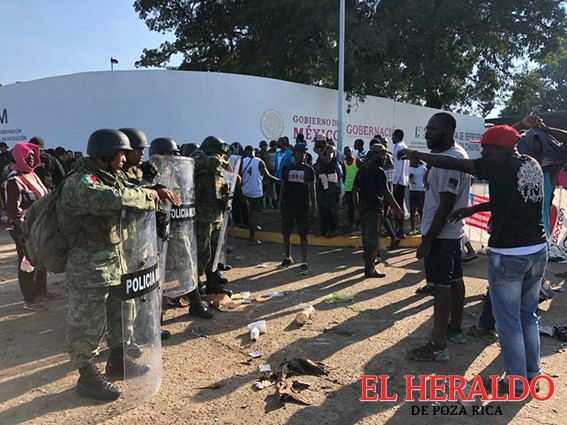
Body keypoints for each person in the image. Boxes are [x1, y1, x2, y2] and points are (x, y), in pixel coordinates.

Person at [400, 124, 548, 394]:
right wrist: (473, 209)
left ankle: (515, 382)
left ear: (499, 149)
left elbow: (453, 163)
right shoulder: (531, 164)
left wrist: (416, 154)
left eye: (486, 148)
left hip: (510, 254)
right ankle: (532, 373)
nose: (483, 153)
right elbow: (509, 197)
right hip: (537, 250)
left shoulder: (499, 164)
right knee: (528, 316)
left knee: (508, 321)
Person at [57, 129, 161, 401]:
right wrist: (150, 196)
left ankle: (118, 359)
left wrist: (149, 190)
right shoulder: (80, 182)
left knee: (121, 312)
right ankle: (87, 377)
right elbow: (114, 199)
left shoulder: (108, 176)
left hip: (114, 262)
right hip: (88, 268)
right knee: (87, 322)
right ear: (105, 156)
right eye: (121, 155)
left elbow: (128, 189)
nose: (125, 160)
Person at [398, 112, 470, 362]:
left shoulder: (451, 160)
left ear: (449, 131)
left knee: (441, 286)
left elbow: (445, 205)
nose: (427, 133)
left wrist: (427, 240)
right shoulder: (451, 156)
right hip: (451, 234)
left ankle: (438, 346)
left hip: (441, 235)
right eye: (426, 129)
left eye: (433, 129)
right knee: (455, 280)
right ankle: (455, 330)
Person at [3, 142, 63, 310]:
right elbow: (13, 210)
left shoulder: (32, 174)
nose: (31, 159)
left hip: (39, 228)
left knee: (40, 258)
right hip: (23, 229)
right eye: (27, 156)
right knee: (26, 262)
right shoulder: (13, 180)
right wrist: (25, 231)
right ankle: (30, 299)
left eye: (33, 155)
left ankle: (42, 292)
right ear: (19, 156)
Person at [352, 144, 403, 278]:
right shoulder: (379, 171)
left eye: (385, 154)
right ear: (373, 155)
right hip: (374, 209)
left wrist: (356, 208)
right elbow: (386, 193)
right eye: (381, 154)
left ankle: (368, 266)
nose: (384, 157)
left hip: (364, 209)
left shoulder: (362, 169)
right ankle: (370, 270)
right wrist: (397, 209)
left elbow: (354, 190)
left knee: (366, 240)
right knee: (373, 241)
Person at [193, 136, 234, 296]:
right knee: (202, 253)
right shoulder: (199, 160)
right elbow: (211, 161)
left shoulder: (216, 167)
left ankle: (212, 284)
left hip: (216, 215)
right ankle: (195, 287)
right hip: (203, 217)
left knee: (214, 254)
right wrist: (221, 159)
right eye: (220, 153)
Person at [278, 143, 316, 275]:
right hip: (288, 205)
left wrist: (314, 207)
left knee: (303, 234)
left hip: (303, 206)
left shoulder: (309, 169)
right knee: (286, 232)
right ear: (295, 154)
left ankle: (304, 262)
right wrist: (279, 205)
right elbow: (283, 187)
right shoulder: (287, 168)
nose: (303, 155)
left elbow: (312, 189)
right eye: (300, 152)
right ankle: (287, 257)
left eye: (304, 152)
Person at [241, 145, 279, 245]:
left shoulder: (242, 161)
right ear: (253, 151)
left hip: (245, 190)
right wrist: (279, 180)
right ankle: (251, 239)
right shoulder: (259, 161)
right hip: (256, 192)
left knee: (249, 212)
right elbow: (268, 176)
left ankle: (252, 228)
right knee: (254, 215)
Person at [313, 133, 340, 237]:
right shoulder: (321, 152)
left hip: (331, 181)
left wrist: (318, 152)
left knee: (331, 206)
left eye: (316, 142)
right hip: (322, 180)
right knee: (322, 206)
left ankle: (333, 229)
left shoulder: (330, 149)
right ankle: (323, 229)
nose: (315, 145)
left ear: (322, 142)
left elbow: (328, 160)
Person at [392, 129, 410, 238]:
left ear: (397, 136)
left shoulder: (398, 147)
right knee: (399, 205)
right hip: (403, 180)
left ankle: (400, 230)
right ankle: (399, 229)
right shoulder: (404, 146)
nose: (392, 138)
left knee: (397, 206)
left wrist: (395, 182)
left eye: (393, 136)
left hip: (399, 181)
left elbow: (398, 167)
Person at [342, 146, 362, 228]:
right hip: (348, 187)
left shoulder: (356, 160)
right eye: (346, 151)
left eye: (349, 151)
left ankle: (358, 222)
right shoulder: (344, 163)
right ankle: (352, 222)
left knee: (357, 204)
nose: (348, 153)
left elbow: (362, 169)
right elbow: (344, 175)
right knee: (350, 206)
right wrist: (345, 183)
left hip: (356, 187)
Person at [408, 158, 427, 235]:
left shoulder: (423, 169)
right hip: (412, 191)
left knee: (421, 210)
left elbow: (426, 179)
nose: (411, 162)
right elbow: (407, 179)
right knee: (412, 211)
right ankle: (413, 229)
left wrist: (425, 187)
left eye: (413, 160)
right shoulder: (409, 169)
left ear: (417, 161)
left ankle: (423, 228)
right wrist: (409, 177)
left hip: (420, 191)